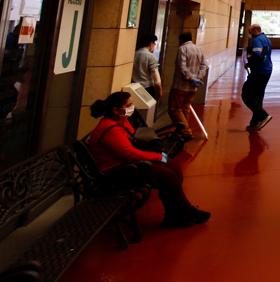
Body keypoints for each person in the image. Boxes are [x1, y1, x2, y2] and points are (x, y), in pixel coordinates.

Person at [86, 91, 210, 228]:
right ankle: (183, 213)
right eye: (128, 105)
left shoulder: (119, 122)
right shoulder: (110, 129)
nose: (131, 107)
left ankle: (177, 213)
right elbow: (130, 153)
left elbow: (132, 143)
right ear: (116, 110)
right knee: (167, 176)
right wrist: (158, 157)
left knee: (173, 168)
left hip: (125, 165)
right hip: (115, 173)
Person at [168, 32, 209, 138]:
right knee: (185, 108)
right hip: (193, 88)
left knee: (175, 109)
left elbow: (182, 67)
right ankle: (181, 130)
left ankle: (186, 131)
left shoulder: (182, 49)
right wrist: (198, 78)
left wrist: (191, 78)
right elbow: (204, 65)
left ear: (181, 39)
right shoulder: (198, 49)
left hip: (180, 86)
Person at [243, 24, 274, 131]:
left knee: (246, 95)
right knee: (258, 96)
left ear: (256, 30)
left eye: (251, 32)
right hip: (267, 70)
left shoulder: (257, 40)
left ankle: (263, 115)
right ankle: (254, 123)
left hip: (259, 71)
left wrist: (250, 62)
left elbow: (257, 55)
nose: (250, 35)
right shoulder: (266, 39)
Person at [132, 35, 163, 102]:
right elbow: (157, 80)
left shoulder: (134, 54)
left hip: (134, 87)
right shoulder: (150, 56)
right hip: (148, 88)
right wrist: (159, 92)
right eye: (154, 43)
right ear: (150, 43)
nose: (154, 45)